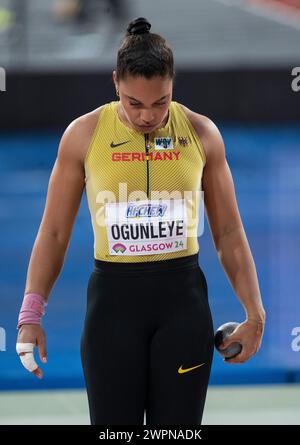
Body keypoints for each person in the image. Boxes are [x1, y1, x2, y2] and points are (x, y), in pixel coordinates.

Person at [16, 17, 266, 425]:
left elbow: (228, 232)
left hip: (182, 309)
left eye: (160, 102)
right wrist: (30, 316)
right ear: (116, 83)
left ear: (173, 86)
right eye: (134, 103)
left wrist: (255, 315)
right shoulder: (83, 136)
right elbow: (55, 232)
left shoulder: (202, 134)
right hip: (112, 312)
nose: (147, 116)